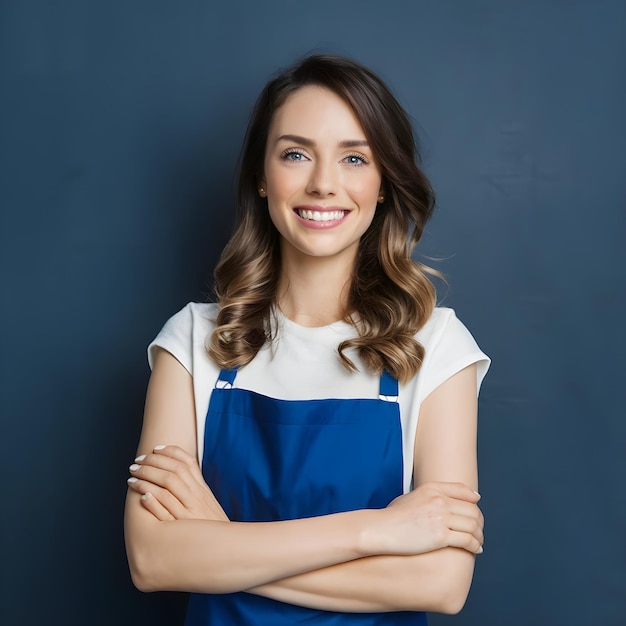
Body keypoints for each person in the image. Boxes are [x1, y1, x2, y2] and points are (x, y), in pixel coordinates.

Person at [124, 54, 490, 625]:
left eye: (354, 158)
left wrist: (221, 545)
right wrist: (378, 530)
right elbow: (153, 560)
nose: (324, 183)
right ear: (262, 180)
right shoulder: (193, 339)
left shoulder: (437, 345)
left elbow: (440, 583)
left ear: (384, 184)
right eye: (296, 154)